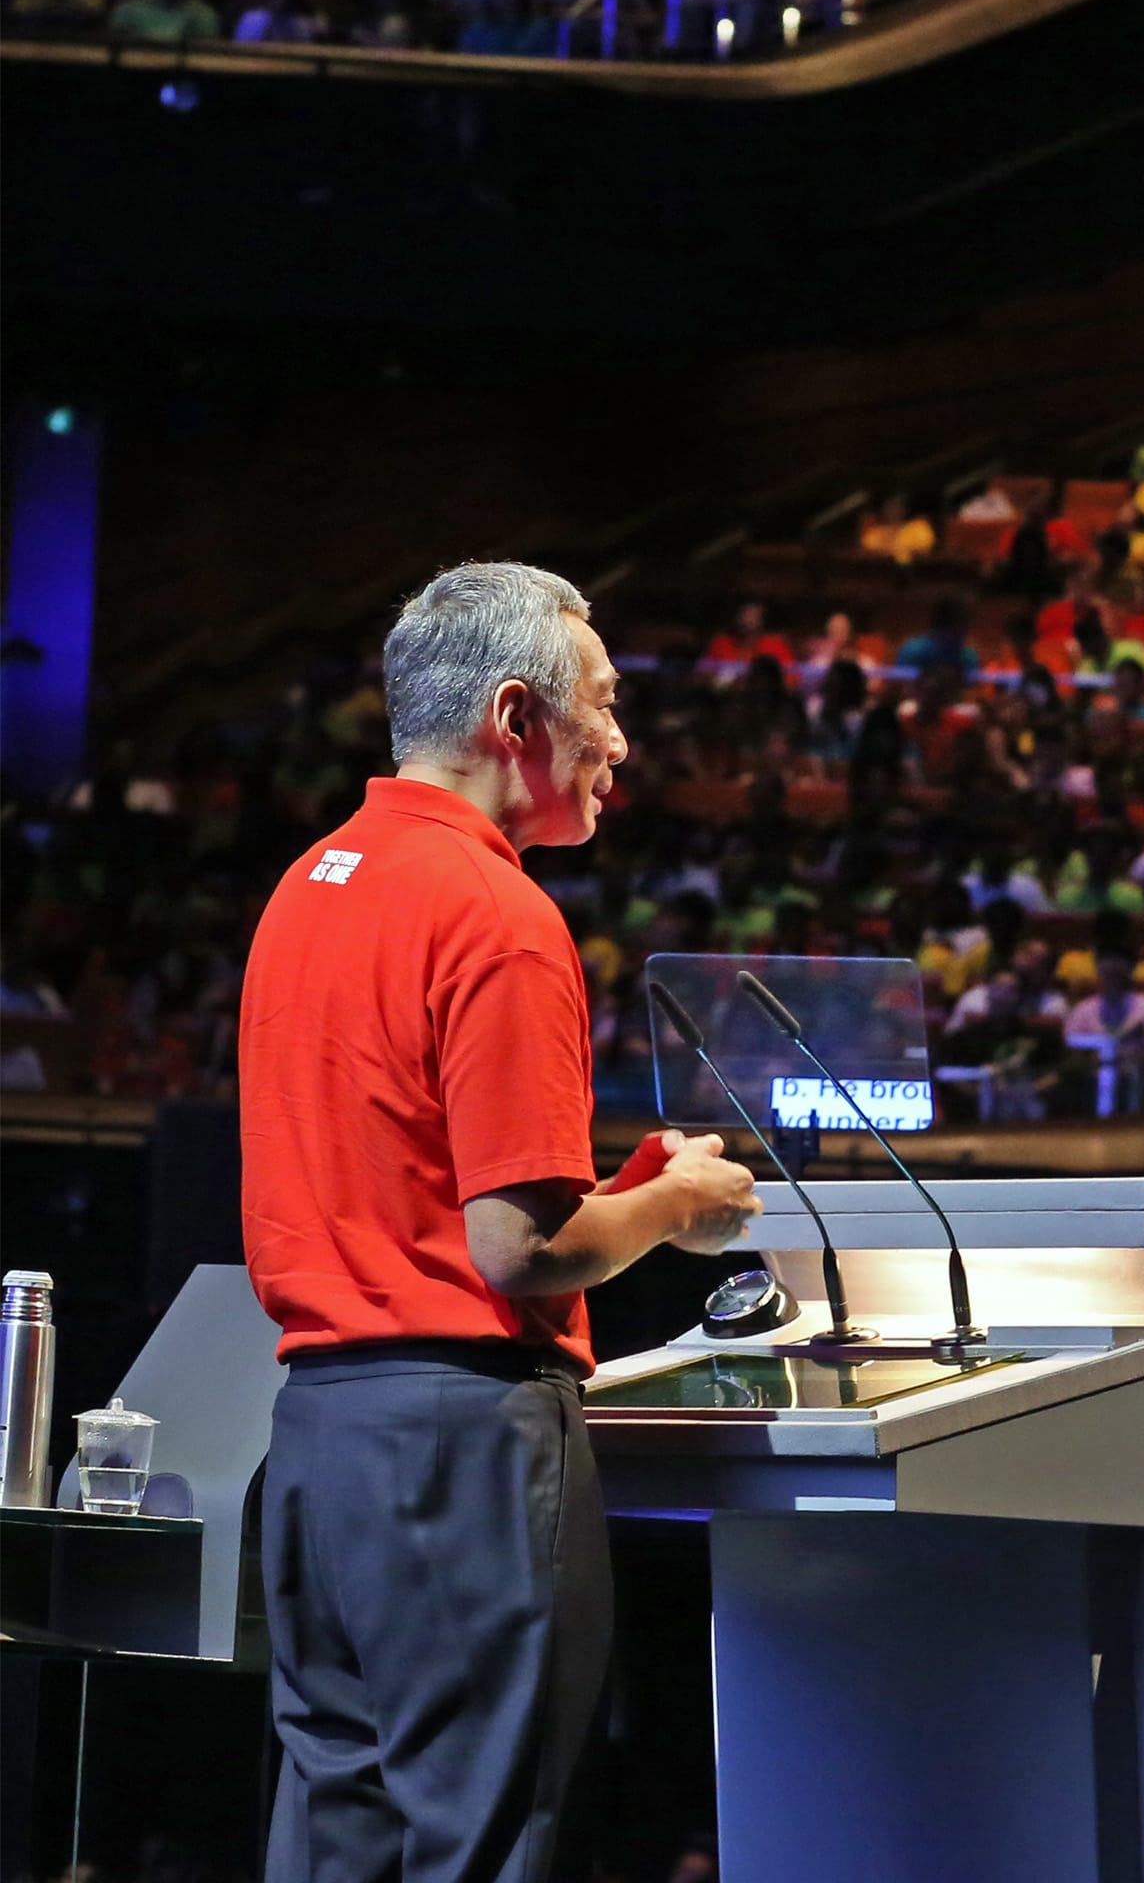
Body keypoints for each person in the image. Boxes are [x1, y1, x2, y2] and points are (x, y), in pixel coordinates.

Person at [240, 562, 761, 1881]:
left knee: (340, 1840)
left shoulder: (310, 883)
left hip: (314, 1440)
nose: (621, 743)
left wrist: (613, 1190)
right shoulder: (498, 913)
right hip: (458, 1443)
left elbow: (404, 1179)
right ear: (517, 717)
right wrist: (677, 1205)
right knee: (481, 1843)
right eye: (605, 704)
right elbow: (517, 1253)